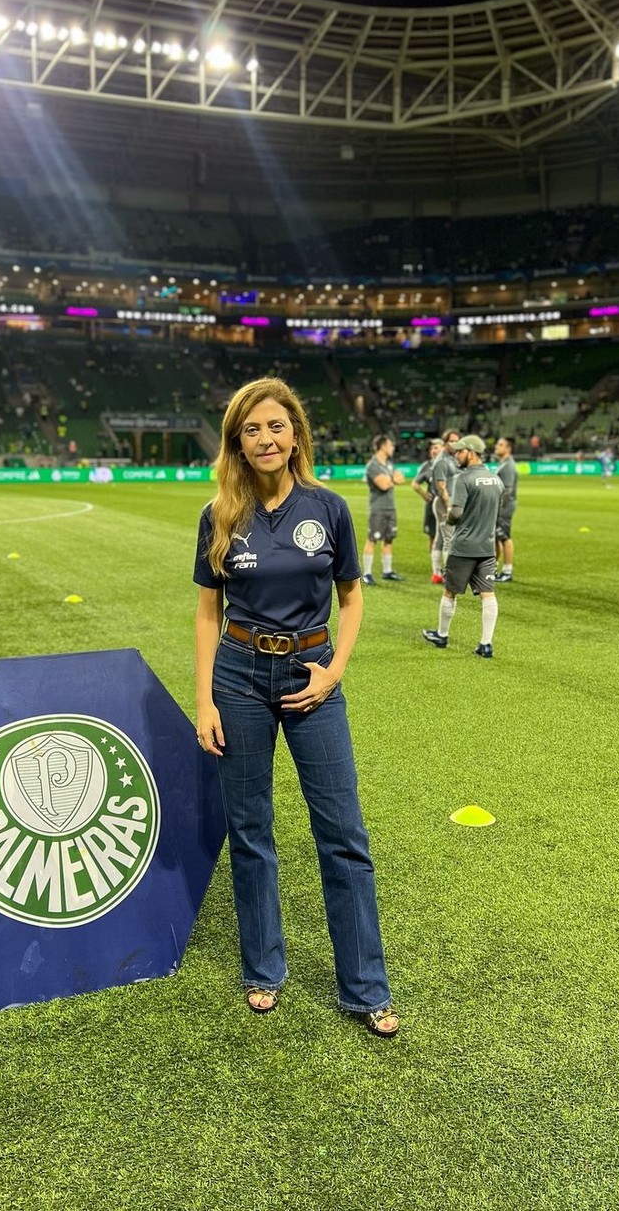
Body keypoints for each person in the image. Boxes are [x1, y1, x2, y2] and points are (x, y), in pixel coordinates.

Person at [193, 377, 399, 1038]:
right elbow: (206, 614)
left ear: (296, 434)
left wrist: (334, 670)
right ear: (237, 443)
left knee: (343, 835)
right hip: (239, 676)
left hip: (314, 676)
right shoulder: (220, 513)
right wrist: (205, 698)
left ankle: (364, 987)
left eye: (276, 426)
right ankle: (263, 969)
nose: (264, 439)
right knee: (250, 830)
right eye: (251, 430)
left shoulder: (329, 509)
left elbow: (353, 599)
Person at [422, 434, 503, 657]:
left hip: (464, 546)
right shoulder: (496, 479)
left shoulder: (463, 479)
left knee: (450, 592)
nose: (456, 455)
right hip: (487, 548)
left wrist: (448, 518)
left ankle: (442, 634)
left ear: (472, 453)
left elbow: (456, 513)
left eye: (460, 451)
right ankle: (486, 644)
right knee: (488, 594)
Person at [363, 433, 405, 584]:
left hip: (390, 507)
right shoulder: (373, 465)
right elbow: (383, 485)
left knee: (389, 539)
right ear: (383, 446)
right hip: (378, 508)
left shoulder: (389, 464)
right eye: (391, 445)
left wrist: (391, 480)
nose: (393, 448)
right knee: (373, 539)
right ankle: (367, 573)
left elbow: (400, 479)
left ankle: (387, 571)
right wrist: (393, 480)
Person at [429, 428, 462, 578]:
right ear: (445, 443)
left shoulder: (454, 458)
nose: (455, 444)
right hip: (444, 503)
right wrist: (449, 506)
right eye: (451, 441)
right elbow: (441, 487)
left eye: (457, 441)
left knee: (441, 538)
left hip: (453, 502)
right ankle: (450, 574)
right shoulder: (441, 461)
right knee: (450, 539)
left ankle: (436, 572)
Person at [412, 437, 444, 582]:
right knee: (433, 536)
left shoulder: (450, 463)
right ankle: (436, 569)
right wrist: (424, 494)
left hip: (448, 505)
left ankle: (449, 568)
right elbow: (415, 484)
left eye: (437, 447)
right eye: (432, 448)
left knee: (450, 537)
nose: (433, 450)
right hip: (432, 506)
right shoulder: (427, 466)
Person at [493, 436, 518, 583]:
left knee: (504, 537)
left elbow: (507, 491)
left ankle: (507, 571)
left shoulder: (508, 466)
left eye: (500, 444)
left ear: (508, 448)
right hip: (500, 507)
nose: (497, 446)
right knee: (496, 538)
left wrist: (497, 507)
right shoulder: (503, 464)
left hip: (503, 508)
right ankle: (492, 569)